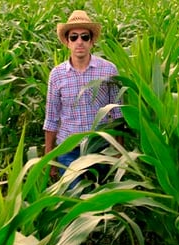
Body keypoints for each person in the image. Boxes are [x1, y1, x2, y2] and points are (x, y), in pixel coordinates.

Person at [43, 10, 123, 188]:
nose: (79, 42)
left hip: (101, 148)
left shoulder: (108, 70)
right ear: (67, 42)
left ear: (92, 41)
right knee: (77, 200)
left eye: (85, 37)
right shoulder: (56, 75)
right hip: (68, 150)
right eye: (74, 37)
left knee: (101, 202)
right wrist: (49, 158)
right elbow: (51, 119)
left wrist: (119, 153)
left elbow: (117, 115)